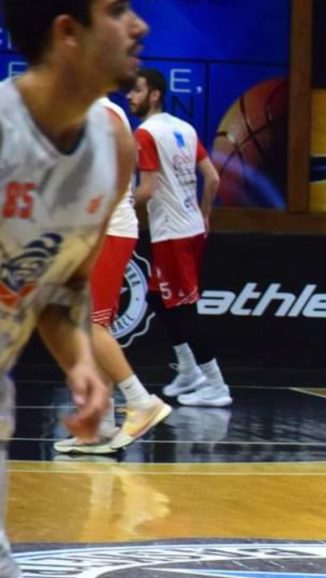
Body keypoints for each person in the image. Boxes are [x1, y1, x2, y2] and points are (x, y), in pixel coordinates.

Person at [0, 0, 148, 578]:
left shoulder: (112, 147)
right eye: (117, 10)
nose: (139, 25)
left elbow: (62, 285)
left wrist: (81, 364)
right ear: (68, 33)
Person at [53, 97, 172, 455]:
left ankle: (141, 402)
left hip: (106, 231)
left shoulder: (100, 112)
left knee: (90, 325)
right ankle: (100, 425)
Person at [127, 68, 231, 407]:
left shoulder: (146, 133)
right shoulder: (184, 127)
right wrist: (205, 213)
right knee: (157, 297)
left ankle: (216, 385)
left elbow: (147, 189)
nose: (129, 96)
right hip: (190, 228)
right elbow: (212, 178)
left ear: (155, 94)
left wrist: (113, 205)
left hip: (173, 233)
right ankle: (188, 370)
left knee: (185, 309)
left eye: (136, 90)